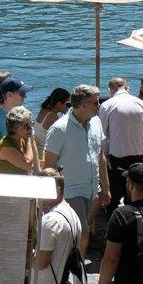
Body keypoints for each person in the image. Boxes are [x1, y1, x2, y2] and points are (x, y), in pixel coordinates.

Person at [43, 85, 105, 256]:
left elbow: (100, 156)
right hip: (70, 190)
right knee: (83, 232)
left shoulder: (96, 122)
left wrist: (106, 187)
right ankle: (78, 268)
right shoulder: (59, 128)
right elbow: (49, 165)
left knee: (78, 232)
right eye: (96, 102)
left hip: (92, 188)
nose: (99, 105)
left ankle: (70, 262)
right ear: (83, 105)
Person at [99, 76, 143, 214]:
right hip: (140, 158)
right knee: (138, 199)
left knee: (114, 200)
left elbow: (102, 136)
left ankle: (115, 223)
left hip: (117, 160)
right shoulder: (141, 103)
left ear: (111, 89)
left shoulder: (107, 105)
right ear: (127, 87)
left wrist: (105, 157)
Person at [0, 106, 41, 175]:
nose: (30, 127)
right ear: (14, 128)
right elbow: (28, 165)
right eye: (26, 125)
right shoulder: (5, 146)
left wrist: (31, 140)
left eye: (31, 123)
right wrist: (29, 140)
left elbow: (37, 168)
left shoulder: (24, 140)